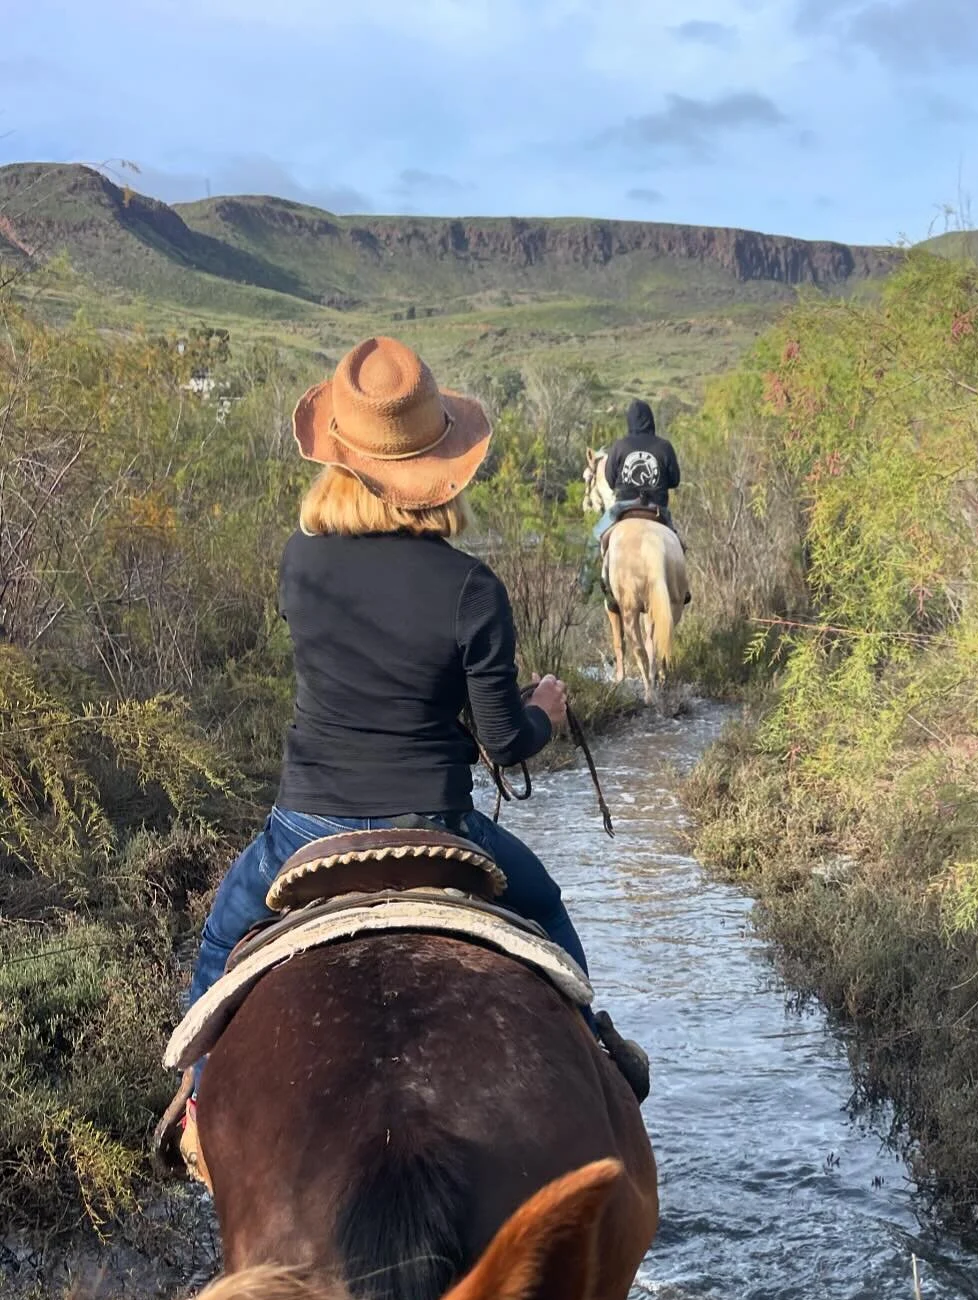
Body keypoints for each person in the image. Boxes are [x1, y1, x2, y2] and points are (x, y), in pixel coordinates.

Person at [170, 336, 646, 1168]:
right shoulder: (470, 588)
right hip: (437, 822)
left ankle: (196, 1108)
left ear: (340, 460)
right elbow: (502, 743)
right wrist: (545, 709)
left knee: (217, 941)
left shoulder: (298, 563)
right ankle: (596, 1059)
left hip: (304, 828)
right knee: (548, 908)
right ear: (442, 468)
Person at [592, 398, 681, 550]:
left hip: (624, 507)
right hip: (657, 508)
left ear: (629, 421)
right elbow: (674, 480)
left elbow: (610, 480)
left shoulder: (619, 446)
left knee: (595, 537)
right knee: (678, 546)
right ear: (651, 420)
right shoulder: (665, 446)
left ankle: (585, 575)